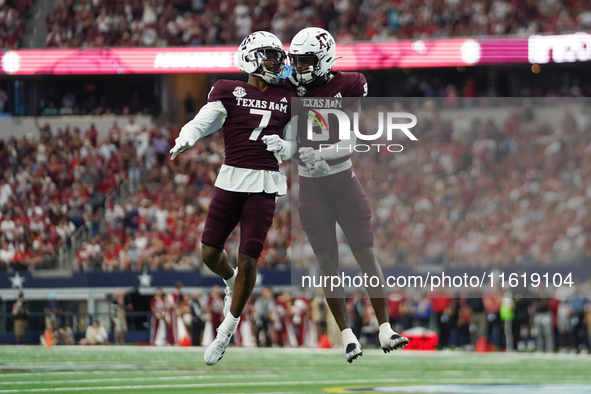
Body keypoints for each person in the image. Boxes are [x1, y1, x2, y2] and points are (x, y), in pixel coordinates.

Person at [169, 31, 296, 366]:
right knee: (209, 252)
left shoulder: (288, 94)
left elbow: (298, 141)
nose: (276, 62)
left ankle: (227, 329)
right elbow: (205, 119)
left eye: (276, 56)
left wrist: (287, 148)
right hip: (232, 176)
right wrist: (188, 135)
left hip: (265, 181)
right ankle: (230, 281)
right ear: (252, 58)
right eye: (269, 56)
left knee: (250, 259)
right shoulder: (228, 89)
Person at [283, 27, 408, 362]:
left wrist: (321, 153)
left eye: (307, 60)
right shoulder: (291, 86)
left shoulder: (349, 84)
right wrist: (292, 148)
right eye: (297, 60)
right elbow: (286, 131)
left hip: (341, 179)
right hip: (311, 186)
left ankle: (385, 328)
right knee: (328, 262)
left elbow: (352, 137)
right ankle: (348, 336)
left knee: (365, 253)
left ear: (324, 57)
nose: (300, 67)